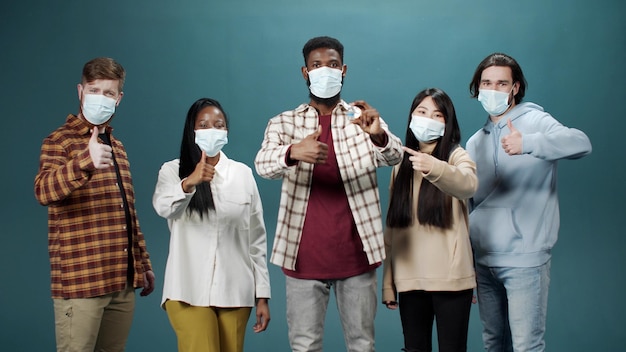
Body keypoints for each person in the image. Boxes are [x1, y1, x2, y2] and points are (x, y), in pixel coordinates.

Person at [254, 36, 403, 352]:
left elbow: (395, 156)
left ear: (344, 70)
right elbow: (263, 165)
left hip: (357, 256)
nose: (325, 71)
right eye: (317, 65)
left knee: (362, 345)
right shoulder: (285, 122)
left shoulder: (361, 118)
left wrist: (377, 134)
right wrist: (294, 151)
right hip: (303, 257)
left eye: (333, 65)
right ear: (304, 72)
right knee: (305, 346)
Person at [466, 53, 592, 351]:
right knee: (493, 343)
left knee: (526, 346)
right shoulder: (474, 142)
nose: (493, 89)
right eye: (486, 83)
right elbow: (470, 205)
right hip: (484, 264)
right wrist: (469, 263)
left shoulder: (535, 121)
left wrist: (530, 144)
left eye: (501, 83)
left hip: (525, 260)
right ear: (477, 88)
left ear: (516, 88)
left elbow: (581, 143)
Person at [34, 57, 155, 352]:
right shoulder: (58, 142)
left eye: (109, 93)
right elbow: (43, 191)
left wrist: (144, 263)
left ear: (119, 99)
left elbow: (128, 212)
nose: (101, 98)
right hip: (81, 283)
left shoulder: (119, 148)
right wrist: (84, 162)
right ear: (80, 91)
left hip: (121, 281)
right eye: (94, 90)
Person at [152, 98, 271, 352]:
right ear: (192, 131)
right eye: (203, 125)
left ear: (226, 132)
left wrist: (262, 295)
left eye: (219, 125)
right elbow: (163, 207)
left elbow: (256, 240)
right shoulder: (173, 171)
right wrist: (190, 182)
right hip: (186, 290)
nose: (212, 130)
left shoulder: (243, 174)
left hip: (236, 292)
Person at [382, 88, 478, 352]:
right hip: (409, 279)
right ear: (411, 117)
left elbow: (468, 185)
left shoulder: (456, 155)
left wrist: (434, 166)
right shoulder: (399, 163)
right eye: (422, 112)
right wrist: (388, 284)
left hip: (451, 279)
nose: (428, 119)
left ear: (448, 123)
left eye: (438, 115)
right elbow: (392, 230)